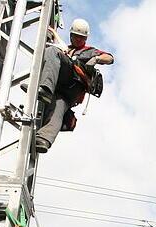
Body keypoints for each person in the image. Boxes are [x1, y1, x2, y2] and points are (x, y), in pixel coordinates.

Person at [34, 18, 114, 153]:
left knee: (52, 52)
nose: (78, 40)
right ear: (71, 35)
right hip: (60, 89)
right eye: (76, 36)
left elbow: (110, 58)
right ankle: (44, 140)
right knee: (57, 109)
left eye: (81, 38)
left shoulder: (89, 51)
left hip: (73, 84)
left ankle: (45, 90)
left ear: (86, 38)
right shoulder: (66, 49)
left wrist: (97, 59)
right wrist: (51, 32)